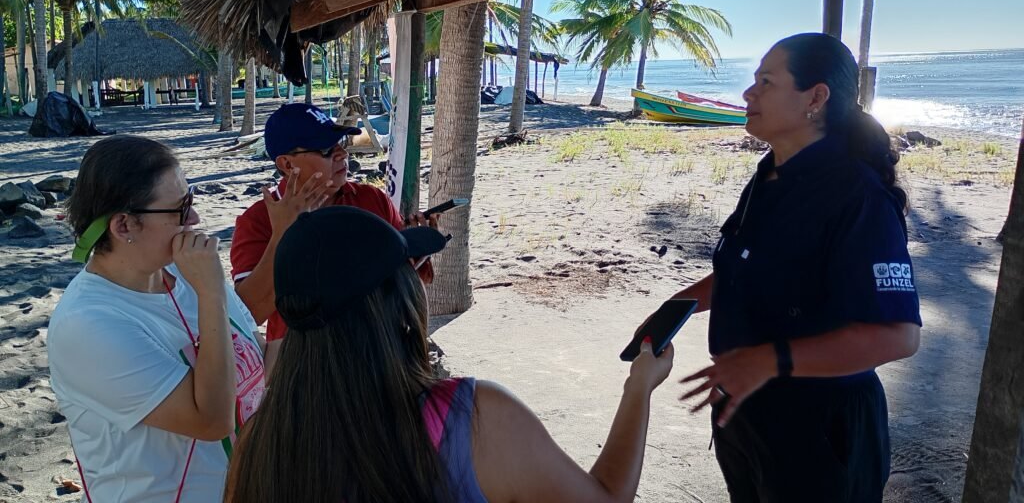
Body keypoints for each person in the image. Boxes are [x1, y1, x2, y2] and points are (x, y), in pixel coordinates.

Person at [226, 206, 674, 503]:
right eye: (410, 271)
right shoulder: (476, 418)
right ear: (397, 304)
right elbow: (607, 498)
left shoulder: (260, 445)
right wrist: (639, 387)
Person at [675, 33, 922, 502]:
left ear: (815, 97)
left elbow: (899, 336)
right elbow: (744, 270)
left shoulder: (856, 196)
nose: (748, 93)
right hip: (747, 411)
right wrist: (678, 306)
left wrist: (766, 361)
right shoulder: (769, 175)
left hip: (821, 427)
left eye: (766, 82)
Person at [49, 135, 265, 502]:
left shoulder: (186, 273)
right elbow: (212, 421)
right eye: (180, 209)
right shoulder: (88, 325)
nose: (195, 219)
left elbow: (258, 359)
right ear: (123, 226)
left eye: (191, 201)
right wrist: (211, 294)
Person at [229, 102, 435, 376]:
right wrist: (283, 235)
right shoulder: (257, 222)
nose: (342, 154)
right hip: (307, 367)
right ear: (287, 164)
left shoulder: (371, 199)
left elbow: (404, 284)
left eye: (341, 143)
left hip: (381, 354)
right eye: (326, 149)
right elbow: (248, 315)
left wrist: (417, 247)